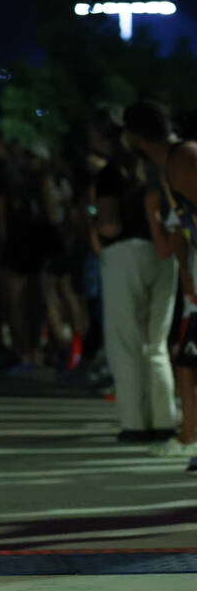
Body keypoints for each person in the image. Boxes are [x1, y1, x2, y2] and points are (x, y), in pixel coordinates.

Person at [90, 107, 178, 444]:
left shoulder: (111, 173)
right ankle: (164, 419)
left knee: (125, 341)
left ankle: (135, 423)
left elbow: (110, 223)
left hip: (125, 253)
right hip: (163, 252)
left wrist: (92, 225)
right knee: (156, 343)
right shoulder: (159, 167)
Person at [122, 100, 197, 465]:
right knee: (187, 363)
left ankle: (189, 438)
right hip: (195, 282)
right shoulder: (165, 171)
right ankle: (189, 437)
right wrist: (154, 215)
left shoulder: (183, 159)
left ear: (135, 136)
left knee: (188, 363)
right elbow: (170, 246)